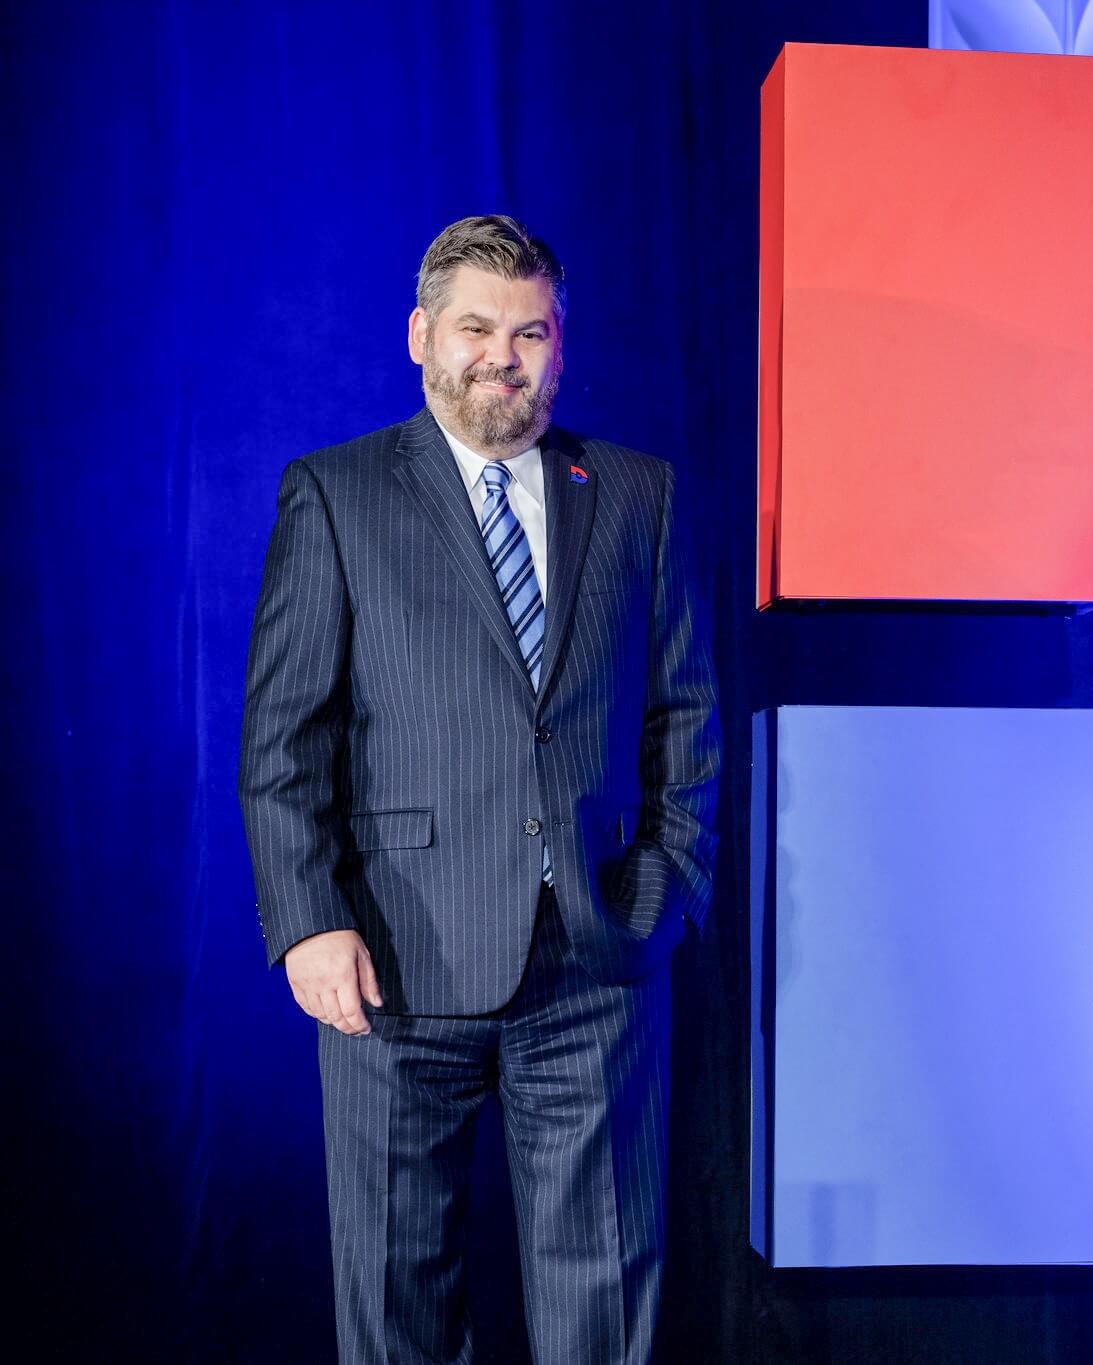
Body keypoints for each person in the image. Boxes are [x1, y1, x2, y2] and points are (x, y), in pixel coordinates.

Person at [238, 214, 719, 1364]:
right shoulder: (337, 493)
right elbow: (281, 741)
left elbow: (687, 717)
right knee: (398, 1308)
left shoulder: (637, 495)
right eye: (475, 328)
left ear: (560, 346)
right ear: (421, 336)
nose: (502, 355)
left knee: (602, 1311)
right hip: (393, 968)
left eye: (530, 332)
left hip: (593, 966)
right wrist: (309, 923)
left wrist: (661, 897)